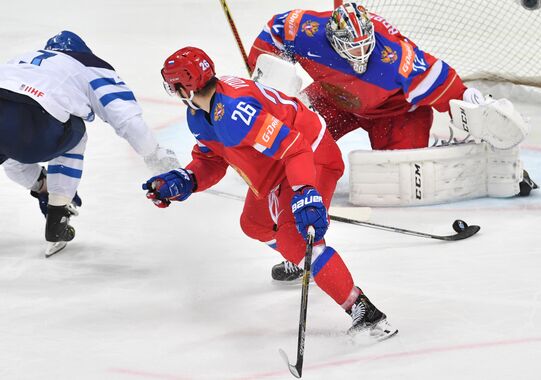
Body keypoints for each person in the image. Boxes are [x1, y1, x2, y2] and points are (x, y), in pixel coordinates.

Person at [248, 2, 538, 280]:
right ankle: (281, 200)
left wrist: (471, 101)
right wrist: (265, 75)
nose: (361, 53)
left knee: (403, 174)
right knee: (290, 136)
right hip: (335, 99)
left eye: (365, 45)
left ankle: (448, 146)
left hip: (395, 112)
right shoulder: (307, 30)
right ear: (334, 39)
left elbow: (442, 80)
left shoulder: (396, 57)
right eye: (353, 47)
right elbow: (273, 32)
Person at [141, 46, 398, 340]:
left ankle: (366, 313)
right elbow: (211, 160)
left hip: (312, 157)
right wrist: (185, 179)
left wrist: (305, 191)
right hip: (278, 166)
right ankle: (306, 264)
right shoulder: (200, 114)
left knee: (296, 241)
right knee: (255, 224)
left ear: (183, 86)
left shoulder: (236, 111)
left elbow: (296, 146)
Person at [0, 31, 180, 256]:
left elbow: (14, 145)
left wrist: (40, 184)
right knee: (73, 133)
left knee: (10, 143)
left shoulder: (22, 59)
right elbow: (126, 118)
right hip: (39, 119)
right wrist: (154, 155)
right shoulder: (88, 64)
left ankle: (42, 186)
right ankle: (57, 213)